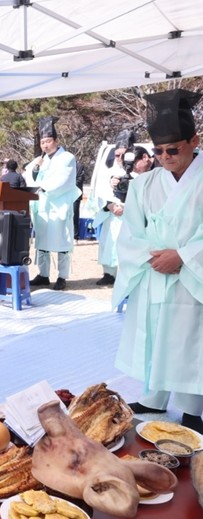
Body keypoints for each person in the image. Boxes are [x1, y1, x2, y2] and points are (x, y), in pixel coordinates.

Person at [112, 89, 203, 435]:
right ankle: (153, 398)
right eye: (159, 151)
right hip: (153, 271)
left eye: (173, 150)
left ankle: (193, 408)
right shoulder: (145, 183)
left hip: (193, 276)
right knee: (154, 334)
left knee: (191, 339)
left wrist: (183, 257)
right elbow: (131, 232)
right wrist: (155, 257)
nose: (165, 157)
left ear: (194, 141)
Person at [27, 116, 81, 291]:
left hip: (59, 206)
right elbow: (28, 176)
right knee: (42, 243)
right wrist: (35, 168)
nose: (45, 145)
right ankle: (43, 274)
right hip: (42, 206)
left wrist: (42, 187)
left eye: (48, 141)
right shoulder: (40, 159)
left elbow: (63, 181)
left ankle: (62, 276)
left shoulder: (67, 158)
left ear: (56, 141)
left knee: (61, 242)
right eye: (42, 142)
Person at [88, 129, 136, 286]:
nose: (120, 158)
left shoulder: (138, 171)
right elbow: (99, 192)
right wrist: (109, 205)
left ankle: (128, 274)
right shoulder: (108, 171)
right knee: (109, 243)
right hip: (112, 215)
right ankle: (109, 273)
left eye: (123, 154)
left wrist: (125, 207)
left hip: (130, 217)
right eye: (117, 155)